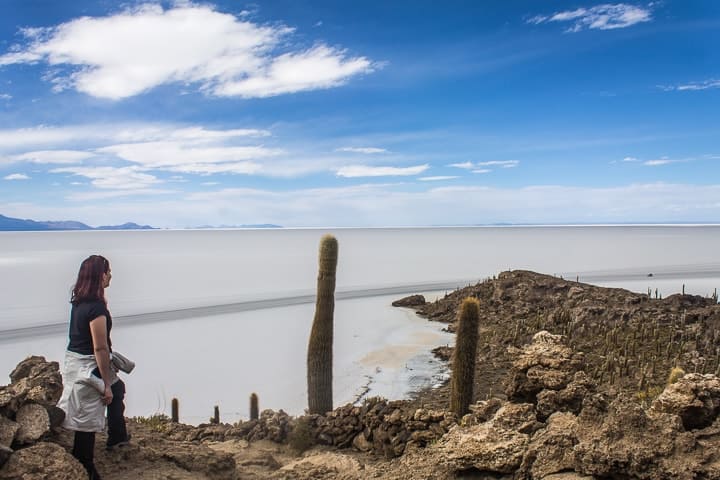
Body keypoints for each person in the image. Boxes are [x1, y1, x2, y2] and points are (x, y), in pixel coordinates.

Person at [57, 255, 130, 480]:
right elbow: (99, 348)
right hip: (88, 365)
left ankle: (117, 437)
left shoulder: (79, 301)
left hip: (75, 360)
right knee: (87, 419)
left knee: (118, 390)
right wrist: (105, 383)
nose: (110, 275)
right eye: (108, 271)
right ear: (100, 275)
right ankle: (86, 467)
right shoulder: (96, 308)